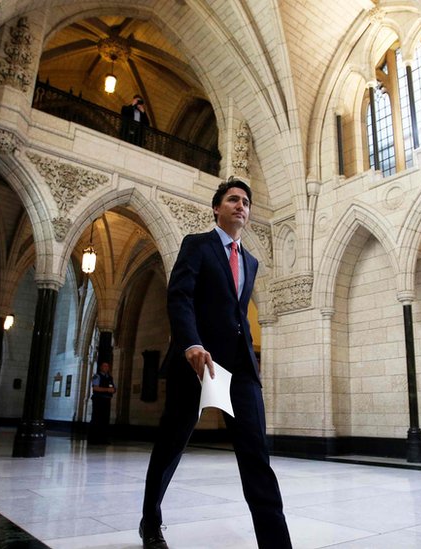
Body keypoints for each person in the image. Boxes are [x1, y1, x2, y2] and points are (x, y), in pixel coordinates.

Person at [139, 179, 292, 549]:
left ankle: (276, 544)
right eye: (233, 199)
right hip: (199, 364)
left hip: (239, 369)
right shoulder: (197, 246)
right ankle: (151, 521)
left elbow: (238, 314)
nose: (241, 206)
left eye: (246, 202)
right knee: (171, 445)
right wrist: (190, 342)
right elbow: (180, 297)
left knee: (256, 456)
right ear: (216, 208)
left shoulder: (251, 262)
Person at [88, 362, 115, 444]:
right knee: (97, 418)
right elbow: (95, 388)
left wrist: (113, 390)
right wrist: (107, 390)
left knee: (105, 419)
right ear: (101, 367)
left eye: (107, 366)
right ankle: (93, 438)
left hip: (107, 400)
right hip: (98, 400)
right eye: (104, 366)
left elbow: (112, 387)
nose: (106, 367)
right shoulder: (97, 376)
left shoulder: (110, 378)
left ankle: (103, 439)